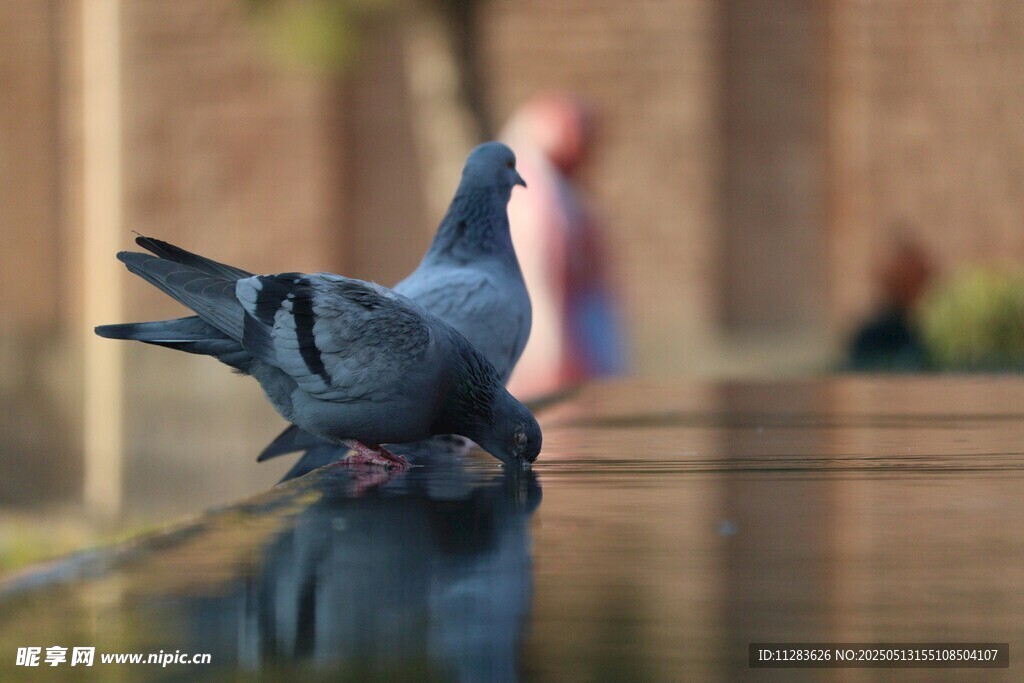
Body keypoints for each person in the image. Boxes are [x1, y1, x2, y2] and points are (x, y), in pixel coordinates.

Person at [502, 93, 626, 397]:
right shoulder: (535, 194)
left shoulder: (562, 192)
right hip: (556, 341)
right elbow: (542, 274)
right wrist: (557, 351)